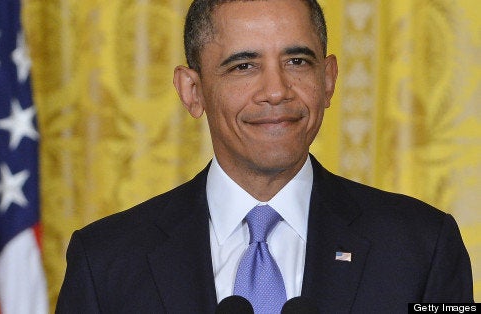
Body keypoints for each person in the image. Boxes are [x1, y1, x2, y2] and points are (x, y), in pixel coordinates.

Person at [55, 0, 474, 312]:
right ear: (192, 91)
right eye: (243, 66)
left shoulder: (423, 247)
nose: (276, 90)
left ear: (328, 81)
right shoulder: (106, 260)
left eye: (297, 61)